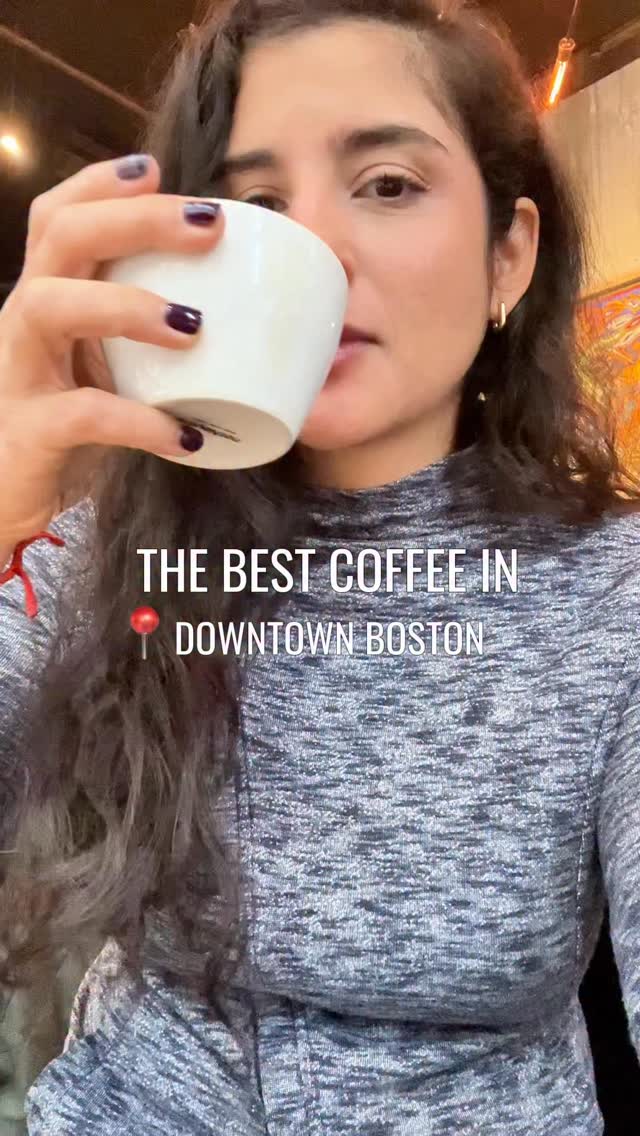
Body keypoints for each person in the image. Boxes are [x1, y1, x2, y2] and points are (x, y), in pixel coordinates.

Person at [1, 0, 639, 1132]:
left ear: (508, 255)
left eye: (387, 183)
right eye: (254, 207)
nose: (319, 253)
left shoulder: (610, 592)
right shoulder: (112, 547)